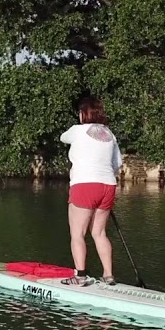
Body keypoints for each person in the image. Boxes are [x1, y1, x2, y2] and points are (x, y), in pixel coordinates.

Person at [60, 96, 122, 286]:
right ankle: (108, 275)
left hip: (84, 185)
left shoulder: (77, 130)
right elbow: (117, 164)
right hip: (108, 185)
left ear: (83, 114)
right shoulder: (109, 134)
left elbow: (63, 138)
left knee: (77, 234)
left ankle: (80, 275)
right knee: (99, 233)